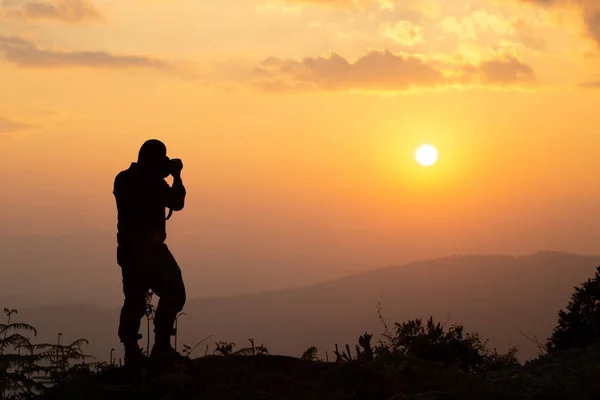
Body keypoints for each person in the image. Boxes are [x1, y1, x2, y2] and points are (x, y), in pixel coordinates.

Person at [113, 139, 187, 366]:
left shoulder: (123, 178)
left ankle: (131, 353)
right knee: (174, 292)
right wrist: (176, 176)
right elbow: (177, 203)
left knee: (134, 300)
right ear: (153, 160)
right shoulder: (152, 182)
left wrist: (162, 172)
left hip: (128, 250)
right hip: (150, 251)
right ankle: (161, 347)